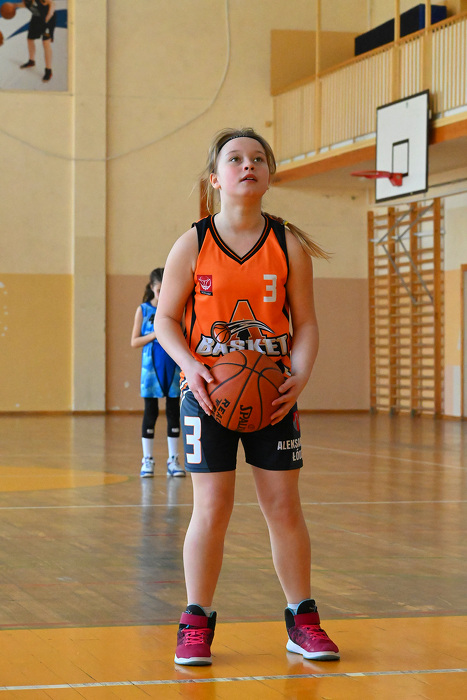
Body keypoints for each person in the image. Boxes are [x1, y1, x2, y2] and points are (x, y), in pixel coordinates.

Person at [154, 127, 339, 666]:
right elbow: (165, 320)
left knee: (283, 507)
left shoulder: (287, 244)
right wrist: (191, 365)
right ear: (215, 178)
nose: (247, 165)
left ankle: (302, 622)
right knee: (211, 508)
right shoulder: (193, 243)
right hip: (207, 394)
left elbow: (306, 323)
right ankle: (195, 623)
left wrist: (299, 374)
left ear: (269, 175)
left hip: (272, 395)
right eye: (234, 159)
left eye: (258, 158)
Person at [131, 268, 184, 478]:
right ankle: (147, 460)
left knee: (173, 412)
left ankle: (173, 460)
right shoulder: (143, 310)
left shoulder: (175, 309)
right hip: (150, 369)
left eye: (166, 289)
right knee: (150, 412)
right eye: (159, 290)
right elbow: (134, 341)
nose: (163, 294)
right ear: (152, 288)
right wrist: (155, 334)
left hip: (173, 366)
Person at [16, 0, 56, 82]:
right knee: (30, 39)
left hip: (48, 19)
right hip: (36, 19)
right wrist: (13, 6)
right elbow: (24, 5)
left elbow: (51, 2)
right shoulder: (26, 2)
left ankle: (48, 70)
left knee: (45, 43)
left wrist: (50, 13)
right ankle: (31, 61)